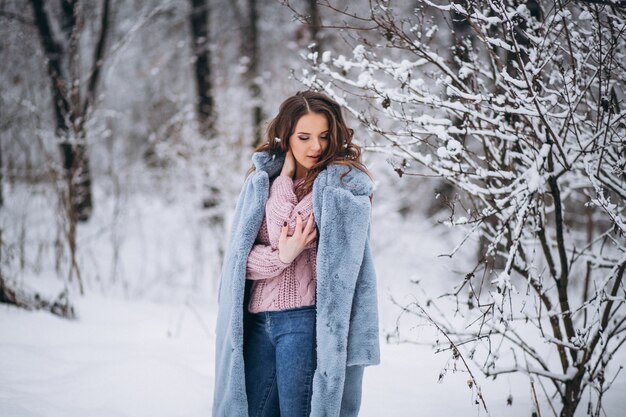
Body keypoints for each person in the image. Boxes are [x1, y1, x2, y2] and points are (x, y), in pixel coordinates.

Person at [213, 91, 380, 417]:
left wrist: (283, 185)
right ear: (286, 136)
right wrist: (280, 257)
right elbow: (240, 262)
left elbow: (285, 231)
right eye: (303, 137)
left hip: (304, 324)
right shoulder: (261, 181)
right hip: (258, 322)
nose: (315, 147)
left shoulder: (341, 188)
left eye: (323, 136)